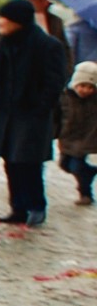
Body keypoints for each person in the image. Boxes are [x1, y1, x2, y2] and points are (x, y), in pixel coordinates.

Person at [0, 0, 69, 226]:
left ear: (18, 21)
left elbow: (55, 81)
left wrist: (40, 106)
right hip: (4, 112)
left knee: (29, 161)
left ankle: (37, 206)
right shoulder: (3, 44)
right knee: (10, 161)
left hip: (31, 113)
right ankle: (17, 207)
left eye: (4, 18)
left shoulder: (47, 45)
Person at [59, 61, 97, 205]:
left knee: (77, 167)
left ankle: (86, 194)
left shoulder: (94, 101)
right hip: (67, 138)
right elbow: (58, 116)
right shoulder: (65, 98)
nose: (85, 90)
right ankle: (91, 171)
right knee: (65, 165)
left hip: (86, 139)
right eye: (82, 86)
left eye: (90, 87)